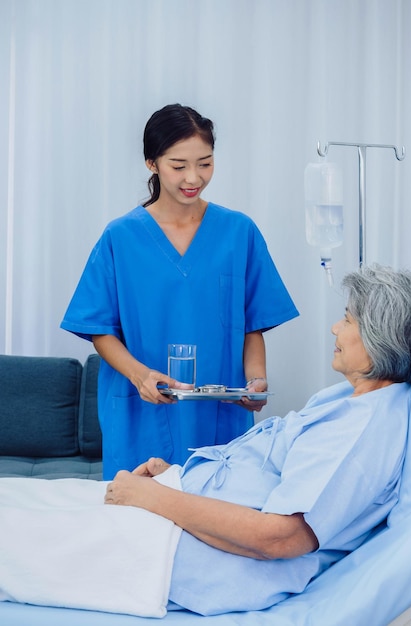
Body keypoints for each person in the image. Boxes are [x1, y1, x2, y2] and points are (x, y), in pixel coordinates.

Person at [0, 264, 411, 618]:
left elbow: (280, 537)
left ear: (383, 338)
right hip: (177, 521)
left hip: (175, 555)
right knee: (13, 496)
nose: (335, 329)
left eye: (348, 319)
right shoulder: (349, 401)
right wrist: (174, 479)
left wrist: (153, 499)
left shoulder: (366, 428)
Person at [60, 103, 299, 480]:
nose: (194, 177)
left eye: (205, 163)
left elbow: (252, 324)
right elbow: (99, 330)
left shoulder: (239, 232)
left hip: (219, 417)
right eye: (178, 165)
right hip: (141, 415)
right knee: (135, 524)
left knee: (215, 520)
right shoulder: (120, 238)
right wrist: (140, 376)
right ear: (151, 163)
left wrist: (256, 379)